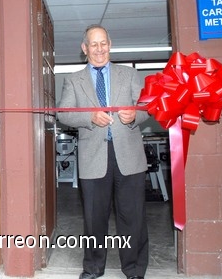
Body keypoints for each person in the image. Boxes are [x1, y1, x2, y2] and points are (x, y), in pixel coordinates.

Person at [57, 24, 149, 279]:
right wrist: (89, 117)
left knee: (132, 217)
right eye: (93, 44)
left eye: (103, 43)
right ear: (84, 48)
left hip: (129, 155)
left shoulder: (129, 74)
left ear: (110, 44)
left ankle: (134, 269)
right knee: (94, 218)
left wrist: (134, 115)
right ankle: (93, 267)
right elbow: (63, 113)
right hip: (93, 157)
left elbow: (146, 106)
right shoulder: (73, 80)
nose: (99, 49)